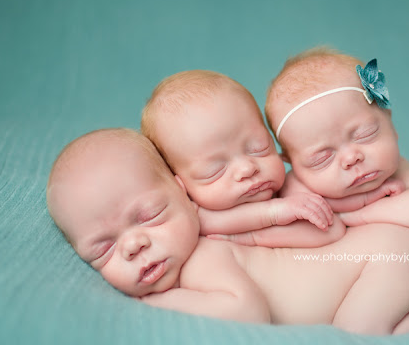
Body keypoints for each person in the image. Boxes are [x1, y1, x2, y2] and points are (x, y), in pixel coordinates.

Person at [46, 128, 409, 335]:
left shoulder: (205, 254)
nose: (135, 245)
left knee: (356, 336)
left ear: (183, 191)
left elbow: (246, 312)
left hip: (386, 255)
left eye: (150, 215)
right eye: (102, 250)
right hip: (384, 255)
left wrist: (155, 303)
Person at [264, 47, 409, 301]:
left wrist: (356, 213)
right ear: (292, 163)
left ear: (390, 124)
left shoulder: (401, 172)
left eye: (365, 135)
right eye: (321, 158)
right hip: (369, 266)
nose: (351, 158)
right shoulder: (298, 188)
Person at [141, 70, 346, 248]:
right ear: (180, 185)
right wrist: (274, 213)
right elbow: (204, 222)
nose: (247, 169)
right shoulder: (193, 216)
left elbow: (332, 230)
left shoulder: (295, 188)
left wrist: (253, 236)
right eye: (214, 170)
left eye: (259, 149)